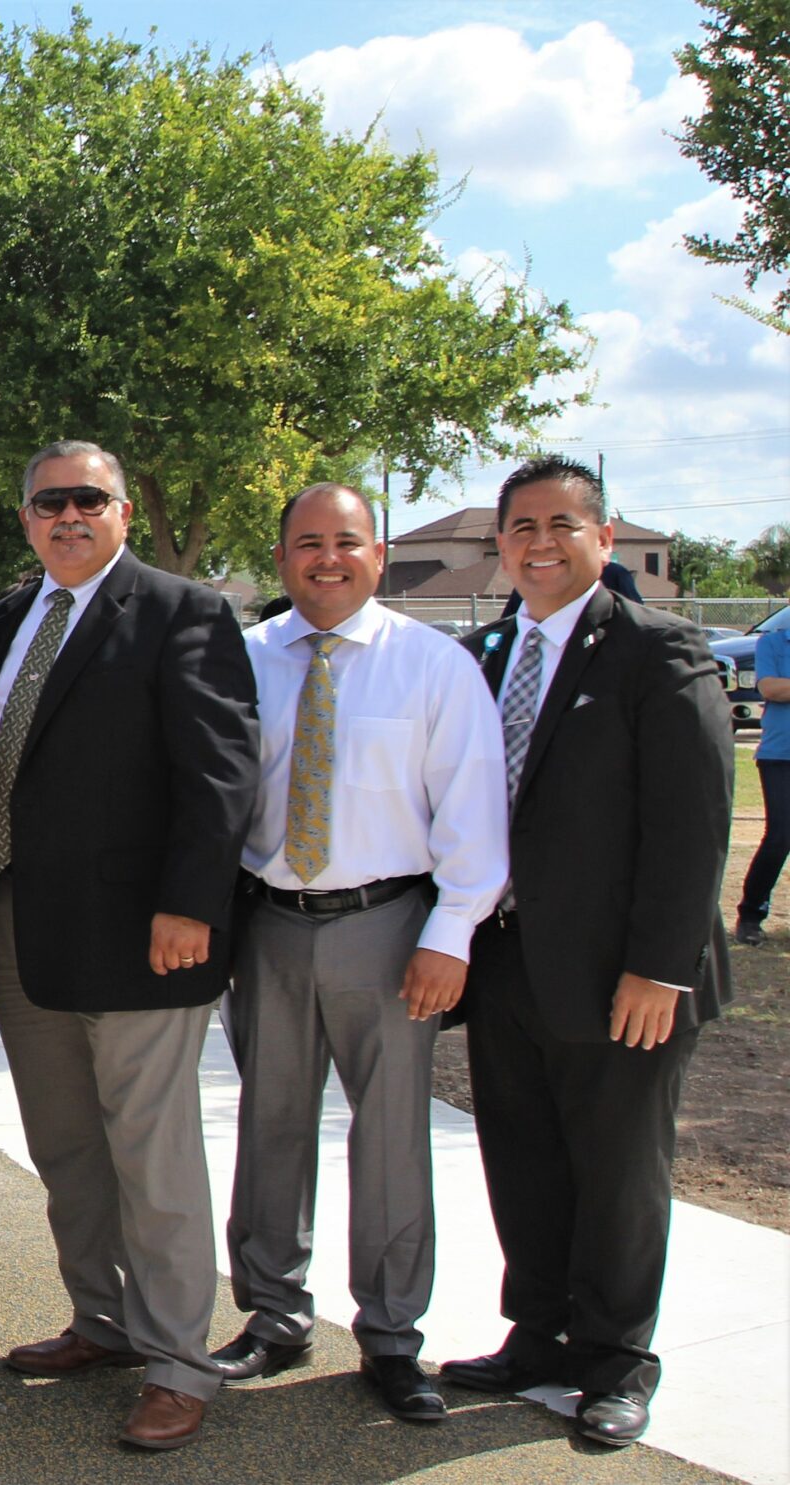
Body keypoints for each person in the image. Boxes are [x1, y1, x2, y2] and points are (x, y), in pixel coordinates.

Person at [0, 441, 259, 1451]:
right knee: (66, 1147)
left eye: (88, 498)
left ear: (123, 512)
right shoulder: (3, 622)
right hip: (19, 927)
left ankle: (182, 1362)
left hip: (146, 936)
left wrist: (191, 903)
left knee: (153, 1155)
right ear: (25, 519)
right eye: (48, 501)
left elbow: (220, 775)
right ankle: (103, 1320)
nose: (68, 514)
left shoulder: (186, 612)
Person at [442, 456, 733, 1450]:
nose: (538, 543)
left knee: (615, 1168)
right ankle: (539, 1333)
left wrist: (660, 968)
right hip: (508, 961)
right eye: (520, 527)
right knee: (519, 1154)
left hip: (624, 976)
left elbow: (693, 825)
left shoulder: (659, 652)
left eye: (562, 525)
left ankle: (615, 1356)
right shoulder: (482, 653)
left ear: (603, 539)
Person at [216, 484, 508, 1423]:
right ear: (282, 556)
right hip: (266, 923)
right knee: (269, 1126)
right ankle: (273, 1313)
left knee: (388, 1138)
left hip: (389, 928)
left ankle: (389, 1334)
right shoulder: (243, 660)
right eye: (307, 543)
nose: (326, 559)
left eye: (347, 542)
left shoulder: (433, 666)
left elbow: (472, 813)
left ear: (378, 555)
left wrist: (450, 934)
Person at [735, 615, 790, 946]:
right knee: (781, 835)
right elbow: (770, 687)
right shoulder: (772, 642)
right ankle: (751, 913)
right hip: (780, 754)